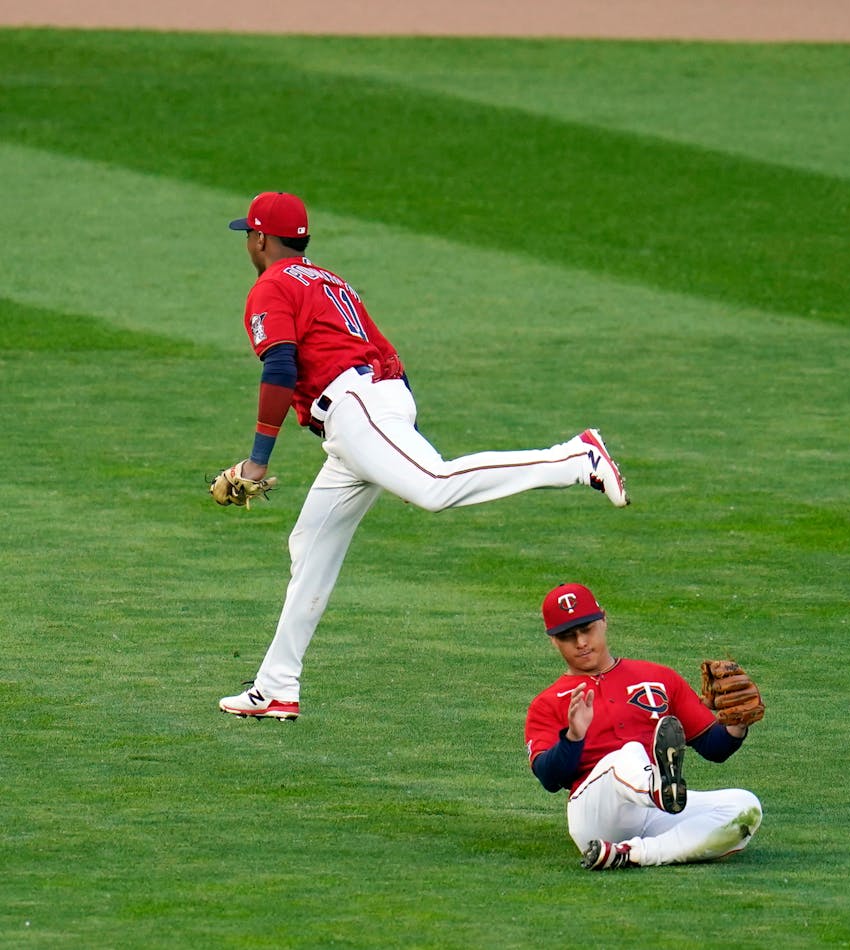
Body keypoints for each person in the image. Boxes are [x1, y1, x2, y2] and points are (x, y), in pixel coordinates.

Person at [216, 192, 629, 720]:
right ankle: (277, 686)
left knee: (433, 487)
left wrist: (257, 460)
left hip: (354, 408)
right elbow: (388, 357)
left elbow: (279, 368)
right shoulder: (329, 281)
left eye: (247, 236)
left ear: (258, 238)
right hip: (368, 410)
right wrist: (394, 438)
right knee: (310, 547)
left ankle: (575, 458)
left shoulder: (272, 285)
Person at [524, 583, 762, 870]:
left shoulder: (659, 677)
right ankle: (657, 789)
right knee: (628, 754)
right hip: (595, 814)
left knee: (744, 807)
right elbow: (549, 778)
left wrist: (737, 725)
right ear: (553, 641)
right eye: (567, 636)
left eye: (587, 629)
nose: (581, 642)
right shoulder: (547, 703)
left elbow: (714, 747)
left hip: (653, 814)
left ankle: (633, 854)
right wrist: (573, 737)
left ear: (603, 620)